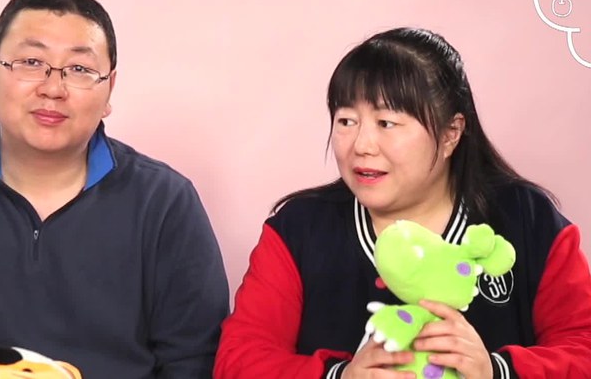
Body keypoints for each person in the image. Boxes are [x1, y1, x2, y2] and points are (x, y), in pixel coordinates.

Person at [0, 0, 229, 378]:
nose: (53, 88)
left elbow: (194, 362)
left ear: (110, 88)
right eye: (30, 62)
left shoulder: (165, 204)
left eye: (79, 69)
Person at [213, 27, 591, 378]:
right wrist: (340, 375)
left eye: (386, 123)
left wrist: (496, 370)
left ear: (450, 133)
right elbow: (238, 359)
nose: (362, 145)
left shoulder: (527, 218)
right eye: (346, 121)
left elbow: (583, 346)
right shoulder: (298, 228)